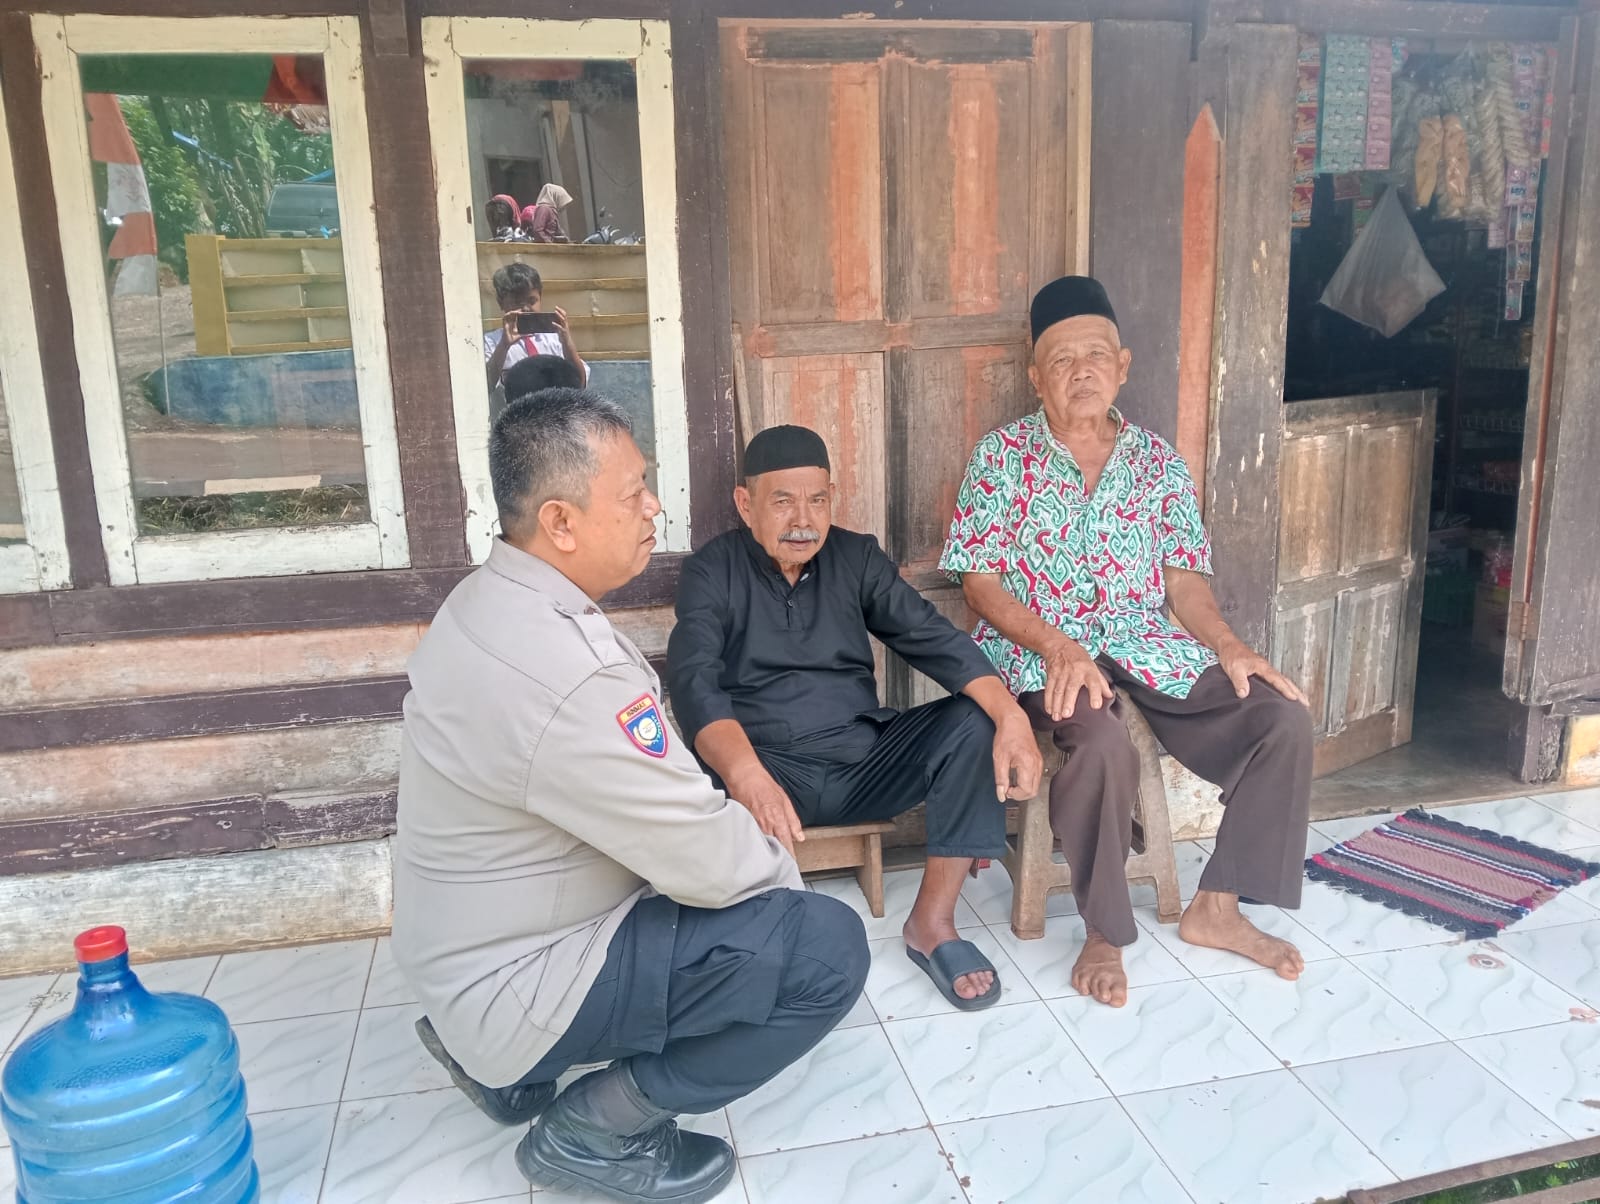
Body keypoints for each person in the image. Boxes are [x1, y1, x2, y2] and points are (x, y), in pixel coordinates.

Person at [392, 389, 869, 1204]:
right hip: (512, 980)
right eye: (634, 491)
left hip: (462, 952)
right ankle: (595, 1130)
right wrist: (782, 884)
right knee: (824, 950)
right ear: (560, 521)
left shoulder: (485, 600)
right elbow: (706, 861)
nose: (655, 506)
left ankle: (508, 1071)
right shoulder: (566, 673)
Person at [940, 275, 1314, 1008]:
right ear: (1035, 377)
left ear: (1123, 366)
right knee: (1102, 743)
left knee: (1281, 718)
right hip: (1042, 653)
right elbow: (979, 584)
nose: (1080, 371)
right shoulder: (1001, 457)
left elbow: (1183, 581)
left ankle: (1219, 907)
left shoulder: (1157, 463)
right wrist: (1057, 645)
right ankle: (1104, 932)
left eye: (1095, 356)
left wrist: (1230, 646)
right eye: (1061, 360)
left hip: (1145, 644)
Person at [667, 425, 1042, 1011]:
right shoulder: (712, 571)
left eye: (817, 500)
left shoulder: (855, 556)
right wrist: (747, 776)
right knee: (693, 769)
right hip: (767, 773)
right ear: (745, 503)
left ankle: (933, 925)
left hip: (863, 765)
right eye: (782, 501)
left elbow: (930, 636)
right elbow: (695, 682)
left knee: (976, 719)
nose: (803, 519)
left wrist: (1011, 715)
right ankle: (756, 941)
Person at [484, 262, 587, 393]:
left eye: (532, 301)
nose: (526, 308)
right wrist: (504, 346)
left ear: (540, 298)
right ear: (501, 303)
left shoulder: (554, 339)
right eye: (517, 302)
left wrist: (567, 343)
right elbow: (487, 386)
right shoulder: (492, 342)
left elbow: (580, 384)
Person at [493, 353, 587, 424]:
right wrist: (504, 344)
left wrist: (566, 340)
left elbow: (579, 383)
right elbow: (489, 383)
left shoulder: (555, 337)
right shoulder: (491, 341)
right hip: (522, 409)